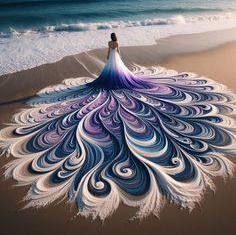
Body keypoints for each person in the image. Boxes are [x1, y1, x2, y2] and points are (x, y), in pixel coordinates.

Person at [0, 33, 236, 220]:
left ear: (110, 39)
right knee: (117, 77)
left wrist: (110, 58)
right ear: (116, 38)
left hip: (111, 64)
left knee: (110, 79)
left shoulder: (110, 43)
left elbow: (110, 53)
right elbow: (117, 52)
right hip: (118, 62)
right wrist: (116, 56)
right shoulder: (117, 43)